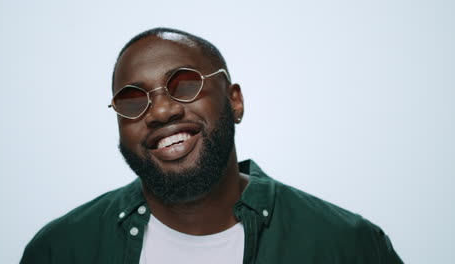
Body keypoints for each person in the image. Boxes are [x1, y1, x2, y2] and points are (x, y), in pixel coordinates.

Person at [20, 28, 403, 264]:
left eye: (184, 84)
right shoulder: (62, 249)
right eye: (133, 100)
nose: (161, 110)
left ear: (234, 101)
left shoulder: (347, 246)